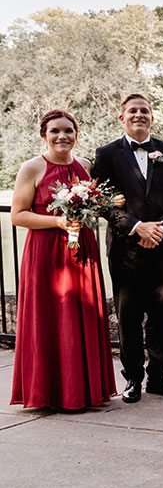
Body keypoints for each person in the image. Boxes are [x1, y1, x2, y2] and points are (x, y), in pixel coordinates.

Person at [10, 110, 117, 410]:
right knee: (50, 315)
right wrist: (57, 223)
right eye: (55, 131)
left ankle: (83, 389)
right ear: (44, 135)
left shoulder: (84, 166)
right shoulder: (31, 168)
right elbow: (18, 215)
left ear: (76, 134)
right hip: (46, 253)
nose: (62, 137)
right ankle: (49, 392)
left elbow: (95, 206)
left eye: (68, 131)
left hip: (81, 250)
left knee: (84, 312)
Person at [93, 93, 163, 403]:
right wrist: (137, 228)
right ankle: (133, 377)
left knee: (162, 314)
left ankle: (159, 376)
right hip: (126, 248)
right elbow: (101, 202)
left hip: (162, 244)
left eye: (144, 111)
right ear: (122, 117)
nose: (139, 115)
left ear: (152, 117)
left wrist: (159, 226)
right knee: (129, 315)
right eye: (132, 111)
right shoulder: (107, 154)